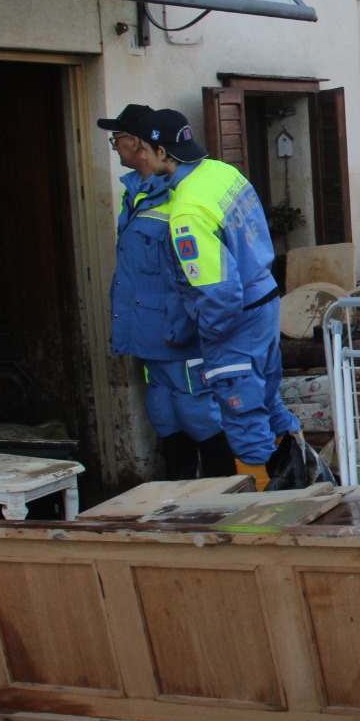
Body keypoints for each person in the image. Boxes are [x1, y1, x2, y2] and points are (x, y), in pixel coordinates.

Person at [137, 108, 323, 489]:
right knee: (269, 402)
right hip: (264, 303)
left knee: (243, 418)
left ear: (160, 151)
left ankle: (264, 510)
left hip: (235, 322)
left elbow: (218, 292)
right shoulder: (224, 174)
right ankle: (309, 479)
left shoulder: (186, 210)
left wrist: (208, 337)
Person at [97, 104, 234, 480]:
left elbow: (201, 274)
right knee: (163, 411)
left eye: (117, 139)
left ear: (138, 144)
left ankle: (229, 497)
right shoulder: (135, 193)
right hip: (148, 334)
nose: (115, 147)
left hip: (179, 333)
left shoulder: (179, 197)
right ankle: (179, 501)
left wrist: (193, 326)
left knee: (199, 412)